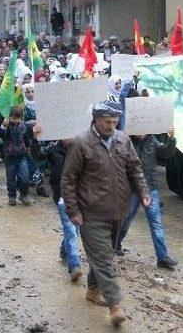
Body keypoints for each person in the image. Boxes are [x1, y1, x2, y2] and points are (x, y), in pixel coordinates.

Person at [61, 100, 150, 326]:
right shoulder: (82, 143)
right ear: (96, 119)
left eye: (115, 121)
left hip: (117, 211)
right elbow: (68, 179)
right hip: (90, 213)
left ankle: (93, 289)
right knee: (104, 259)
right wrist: (73, 210)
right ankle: (115, 305)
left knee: (104, 255)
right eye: (107, 121)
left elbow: (135, 169)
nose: (112, 126)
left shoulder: (124, 140)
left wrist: (143, 192)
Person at [116, 130, 179, 270]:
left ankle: (162, 257)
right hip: (132, 189)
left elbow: (167, 153)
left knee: (156, 224)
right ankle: (115, 243)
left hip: (150, 188)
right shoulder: (126, 141)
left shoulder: (152, 141)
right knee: (125, 220)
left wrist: (172, 139)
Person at [31, 136, 83, 282]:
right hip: (61, 196)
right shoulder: (53, 148)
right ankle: (74, 266)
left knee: (75, 230)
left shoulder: (81, 148)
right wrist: (35, 140)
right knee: (71, 230)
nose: (66, 138)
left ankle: (64, 250)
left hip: (79, 195)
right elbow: (38, 155)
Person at [0, 105, 35, 205]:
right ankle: (12, 196)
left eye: (18, 118)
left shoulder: (24, 126)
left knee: (25, 177)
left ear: (21, 118)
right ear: (9, 117)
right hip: (10, 157)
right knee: (10, 178)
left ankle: (23, 194)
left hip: (22, 156)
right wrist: (3, 126)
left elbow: (26, 138)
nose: (15, 120)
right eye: (13, 118)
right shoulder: (7, 127)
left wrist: (28, 147)